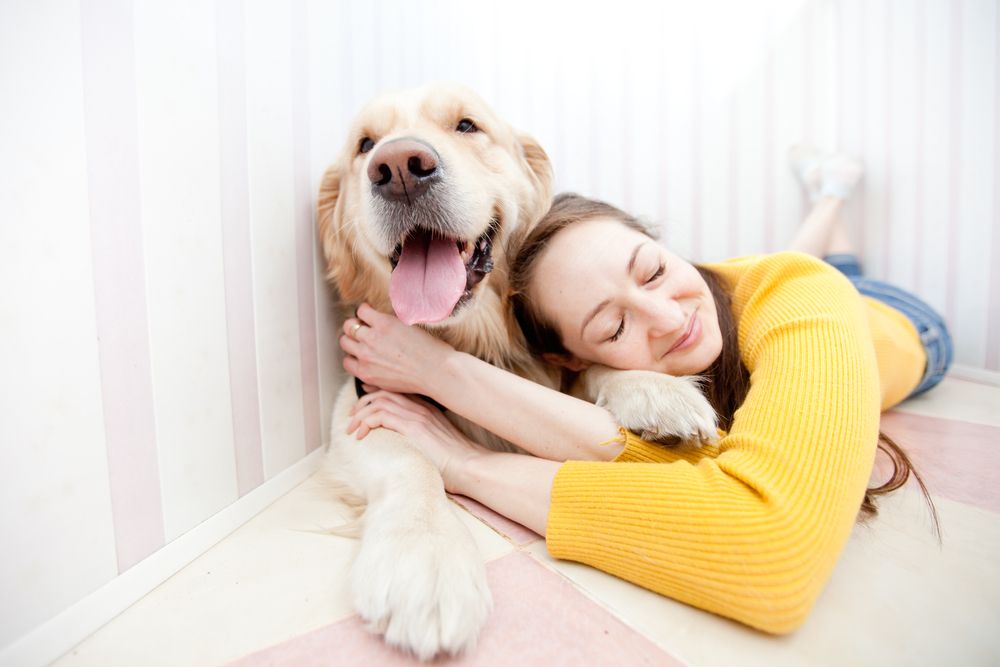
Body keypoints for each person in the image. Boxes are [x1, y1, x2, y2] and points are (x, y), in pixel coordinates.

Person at [337, 147, 951, 634]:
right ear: (573, 361)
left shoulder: (800, 295)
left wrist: (464, 457)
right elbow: (690, 464)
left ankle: (833, 193)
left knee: (824, 272)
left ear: (660, 240)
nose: (665, 317)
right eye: (614, 326)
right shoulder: (589, 375)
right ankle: (832, 211)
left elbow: (770, 550)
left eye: (653, 268)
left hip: (902, 322)